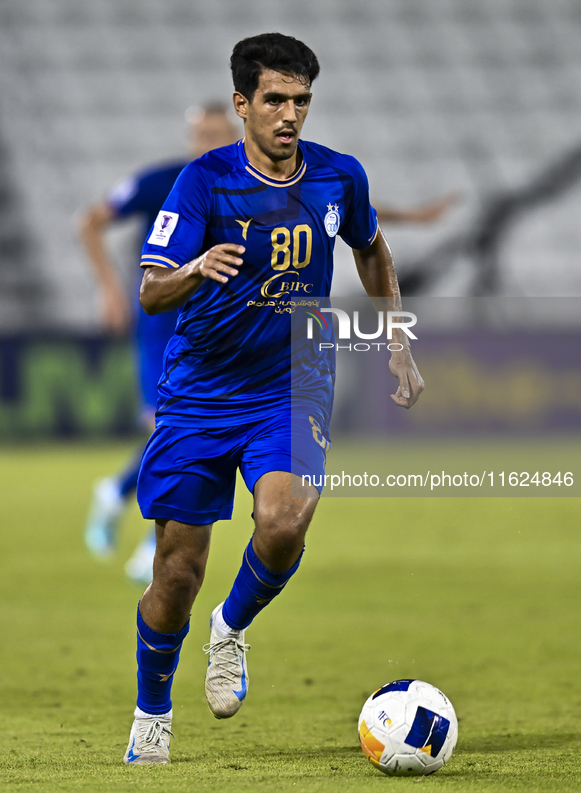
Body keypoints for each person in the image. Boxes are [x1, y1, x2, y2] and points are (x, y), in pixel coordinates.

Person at [123, 32, 424, 765]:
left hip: (293, 379)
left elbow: (371, 248)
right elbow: (152, 289)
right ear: (242, 105)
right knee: (175, 572)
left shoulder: (337, 176)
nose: (289, 115)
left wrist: (394, 338)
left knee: (284, 520)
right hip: (199, 392)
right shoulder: (201, 182)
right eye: (275, 100)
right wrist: (196, 266)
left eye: (301, 101)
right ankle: (152, 710)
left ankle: (229, 628)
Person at [80, 104, 239, 584]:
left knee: (203, 433)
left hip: (217, 329)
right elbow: (90, 222)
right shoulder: (165, 181)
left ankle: (119, 493)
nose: (208, 142)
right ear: (191, 138)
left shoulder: (252, 187)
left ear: (235, 133)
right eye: (202, 134)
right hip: (161, 324)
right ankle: (150, 533)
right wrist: (109, 288)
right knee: (169, 427)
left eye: (218, 134)